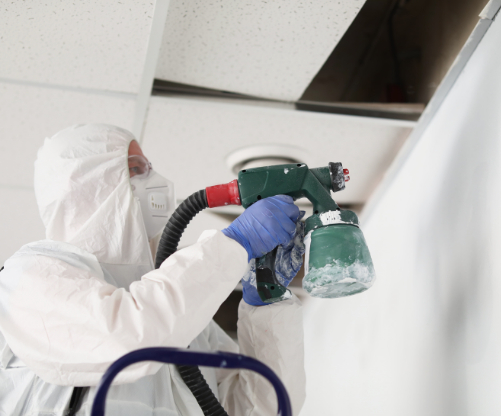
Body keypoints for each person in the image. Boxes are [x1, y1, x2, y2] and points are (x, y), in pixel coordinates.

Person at [0, 124, 306, 415]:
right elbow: (127, 338)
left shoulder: (185, 319)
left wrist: (265, 306)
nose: (156, 179)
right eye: (136, 168)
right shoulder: (30, 276)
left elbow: (263, 409)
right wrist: (234, 244)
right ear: (88, 185)